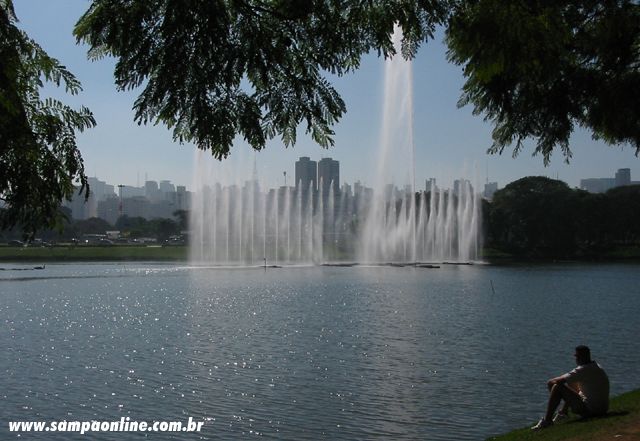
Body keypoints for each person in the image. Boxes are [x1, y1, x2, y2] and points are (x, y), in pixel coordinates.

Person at [532, 345, 609, 430]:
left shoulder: (583, 369)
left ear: (581, 357)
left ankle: (547, 421)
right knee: (571, 382)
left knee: (557, 386)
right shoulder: (595, 366)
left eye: (577, 356)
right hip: (602, 409)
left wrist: (553, 388)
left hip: (591, 411)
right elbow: (569, 379)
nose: (576, 358)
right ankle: (563, 413)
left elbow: (554, 382)